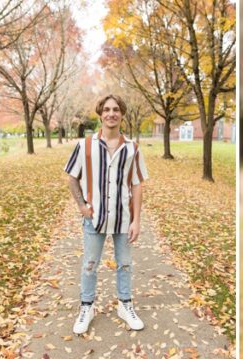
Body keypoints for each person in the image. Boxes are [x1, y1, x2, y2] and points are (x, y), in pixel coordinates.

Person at [64, 94, 149, 334]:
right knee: (90, 264)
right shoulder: (84, 146)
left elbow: (137, 184)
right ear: (100, 113)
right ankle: (87, 307)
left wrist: (137, 220)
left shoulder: (132, 148)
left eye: (116, 109)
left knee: (124, 264)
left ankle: (125, 305)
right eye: (107, 109)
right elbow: (72, 177)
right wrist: (82, 206)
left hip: (123, 217)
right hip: (94, 218)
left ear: (122, 114)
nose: (111, 113)